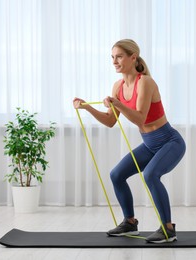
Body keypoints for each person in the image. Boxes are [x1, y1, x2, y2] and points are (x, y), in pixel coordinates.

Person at [73, 39, 186, 243]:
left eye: (119, 56)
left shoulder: (146, 82)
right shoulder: (118, 86)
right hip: (150, 144)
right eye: (112, 57)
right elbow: (110, 121)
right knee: (116, 174)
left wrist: (118, 104)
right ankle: (130, 223)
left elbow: (140, 118)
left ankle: (168, 229)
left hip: (170, 142)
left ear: (133, 57)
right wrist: (87, 107)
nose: (114, 61)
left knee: (151, 175)